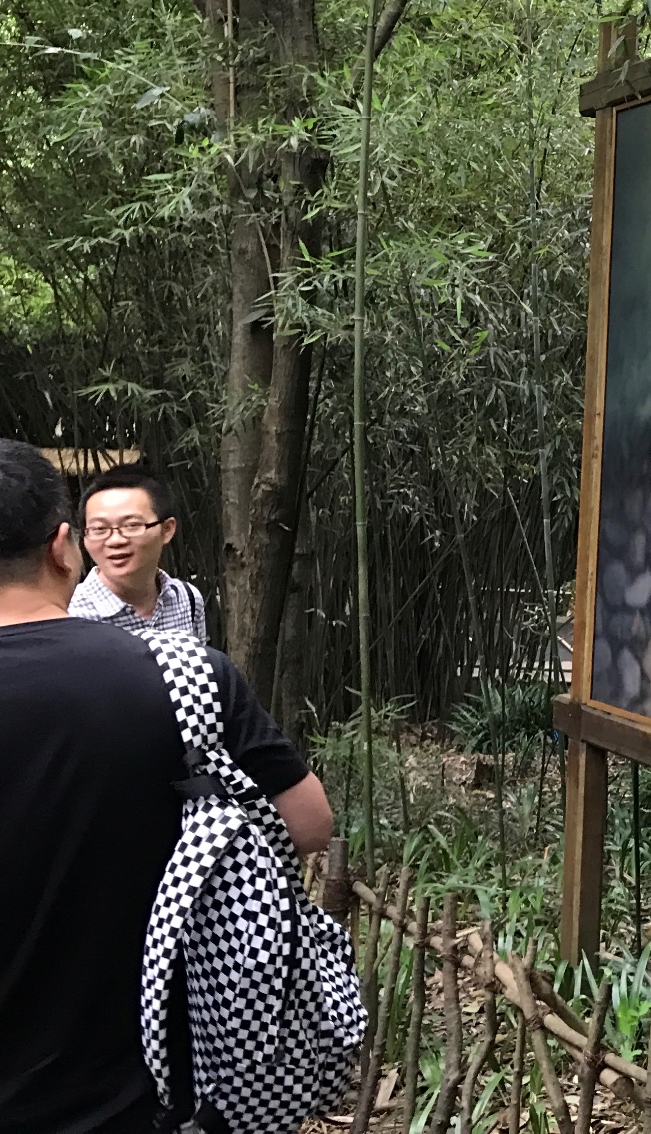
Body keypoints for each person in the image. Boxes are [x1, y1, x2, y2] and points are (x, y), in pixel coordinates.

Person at [0, 439, 334, 1134]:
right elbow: (308, 824)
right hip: (127, 1081)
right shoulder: (188, 673)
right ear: (67, 546)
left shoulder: (186, 614)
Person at [69, 465, 207, 642]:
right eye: (99, 529)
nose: (115, 540)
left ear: (167, 529)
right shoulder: (70, 615)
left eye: (132, 525)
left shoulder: (187, 599)